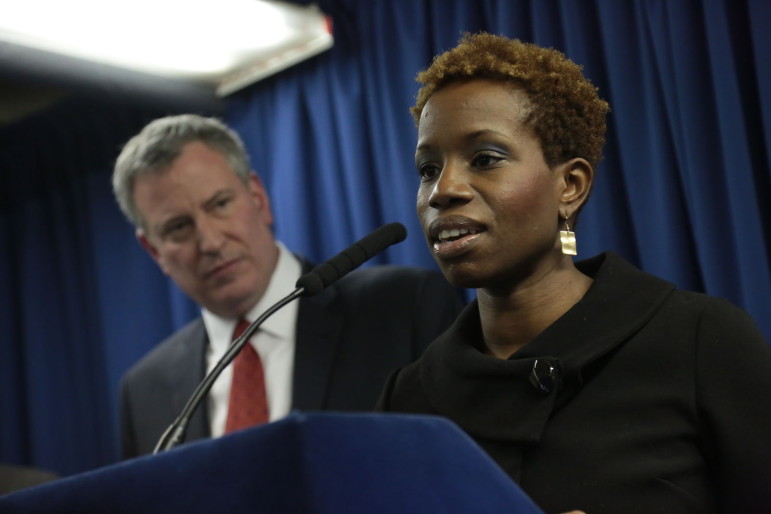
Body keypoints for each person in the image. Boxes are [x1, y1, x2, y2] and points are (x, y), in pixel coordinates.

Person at [376, 33, 771, 513]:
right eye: (427, 168)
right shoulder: (409, 396)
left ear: (571, 186)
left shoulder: (700, 341)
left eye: (485, 159)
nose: (443, 190)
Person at [112, 114, 464, 458]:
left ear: (258, 199)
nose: (210, 242)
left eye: (220, 205)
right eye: (178, 227)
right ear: (154, 250)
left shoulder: (401, 309)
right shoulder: (145, 391)